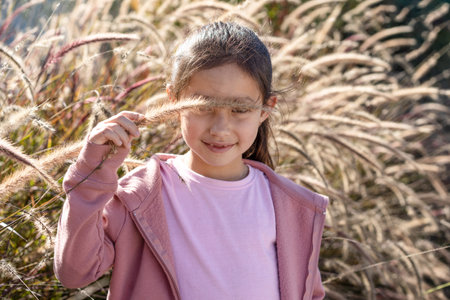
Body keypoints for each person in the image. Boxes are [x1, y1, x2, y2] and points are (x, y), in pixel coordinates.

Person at [54, 21, 329, 300]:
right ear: (173, 100)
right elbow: (75, 273)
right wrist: (91, 176)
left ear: (265, 110)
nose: (220, 128)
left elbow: (309, 292)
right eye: (202, 107)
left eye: (240, 109)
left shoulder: (292, 207)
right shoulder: (139, 196)